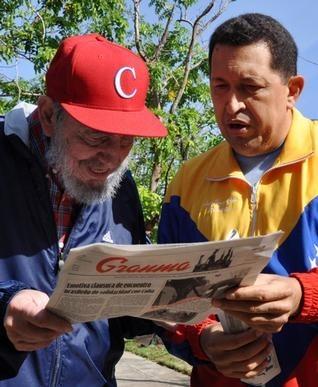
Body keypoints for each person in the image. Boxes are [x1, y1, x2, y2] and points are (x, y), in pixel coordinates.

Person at [0, 33, 204, 386]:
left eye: (126, 140)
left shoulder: (122, 190)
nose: (110, 159)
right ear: (49, 115)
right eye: (95, 137)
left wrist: (165, 308)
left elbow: (119, 318)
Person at [158, 13, 318, 387]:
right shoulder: (187, 181)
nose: (231, 106)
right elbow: (165, 299)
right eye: (220, 86)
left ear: (292, 89)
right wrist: (204, 340)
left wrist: (302, 295)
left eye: (249, 87)